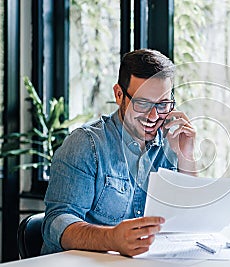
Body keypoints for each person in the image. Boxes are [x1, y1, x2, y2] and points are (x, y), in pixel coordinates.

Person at [42, 49, 196, 256]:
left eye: (162, 104)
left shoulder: (171, 141)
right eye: (142, 103)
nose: (153, 116)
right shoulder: (86, 145)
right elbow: (57, 223)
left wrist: (187, 157)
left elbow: (192, 217)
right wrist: (111, 239)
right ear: (119, 94)